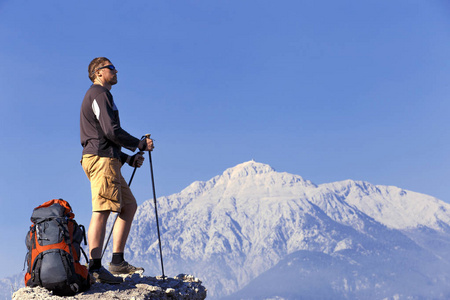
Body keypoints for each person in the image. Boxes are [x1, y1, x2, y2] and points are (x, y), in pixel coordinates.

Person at [80, 57, 154, 284]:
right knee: (101, 210)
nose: (115, 70)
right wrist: (139, 145)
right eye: (111, 68)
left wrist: (127, 159)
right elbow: (111, 131)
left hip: (107, 158)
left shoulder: (100, 95)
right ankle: (95, 268)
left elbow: (104, 135)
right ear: (98, 73)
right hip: (101, 160)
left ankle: (118, 261)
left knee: (128, 206)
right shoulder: (100, 94)